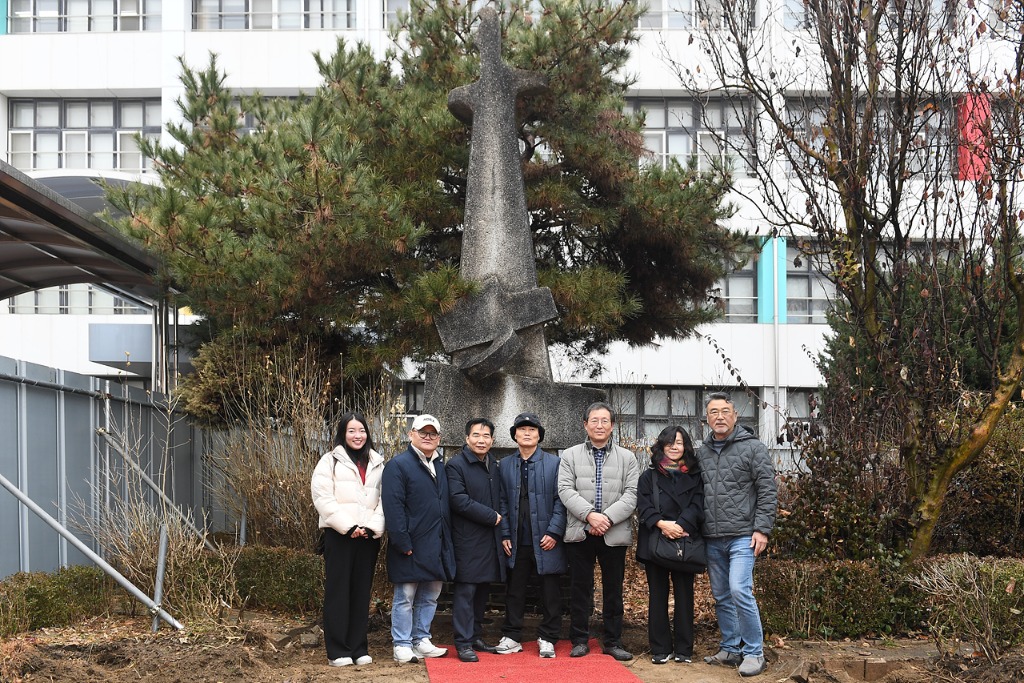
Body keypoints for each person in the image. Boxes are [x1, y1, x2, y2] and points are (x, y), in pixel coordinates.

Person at [697, 392, 777, 678]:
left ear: (735, 415)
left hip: (743, 534)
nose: (719, 416)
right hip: (712, 536)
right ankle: (731, 648)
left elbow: (768, 489)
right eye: (713, 412)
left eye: (725, 411)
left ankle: (754, 652)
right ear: (706, 418)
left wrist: (762, 529)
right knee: (721, 595)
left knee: (739, 590)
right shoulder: (701, 452)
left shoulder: (753, 448)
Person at [557, 401, 639, 662]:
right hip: (580, 531)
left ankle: (613, 641)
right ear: (585, 424)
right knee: (580, 587)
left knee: (613, 589)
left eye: (605, 421)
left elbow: (632, 494)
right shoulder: (569, 455)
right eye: (594, 420)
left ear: (612, 426)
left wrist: (606, 519)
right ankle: (579, 640)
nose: (600, 425)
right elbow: (565, 490)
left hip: (613, 534)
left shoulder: (628, 457)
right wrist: (590, 515)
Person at [310, 412, 385, 667]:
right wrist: (348, 526)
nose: (357, 436)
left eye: (362, 430)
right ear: (343, 433)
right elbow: (322, 498)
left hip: (368, 537)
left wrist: (372, 527)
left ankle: (358, 647)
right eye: (351, 431)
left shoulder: (377, 462)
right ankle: (338, 650)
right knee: (338, 592)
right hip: (340, 536)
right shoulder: (329, 461)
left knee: (361, 593)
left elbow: (385, 501)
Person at [381, 414, 456, 663]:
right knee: (405, 597)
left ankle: (421, 639)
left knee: (431, 595)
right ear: (411, 434)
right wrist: (402, 541)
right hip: (410, 543)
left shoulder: (440, 466)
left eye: (432, 433)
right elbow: (393, 506)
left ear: (439, 438)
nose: (427, 437)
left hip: (436, 543)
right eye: (422, 432)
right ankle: (401, 643)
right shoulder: (398, 465)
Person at [495, 413, 567, 659]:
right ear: (514, 434)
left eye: (532, 429)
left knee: (550, 591)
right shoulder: (503, 465)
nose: (527, 433)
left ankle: (548, 637)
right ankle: (512, 636)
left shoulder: (555, 463)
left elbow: (562, 501)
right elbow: (501, 502)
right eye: (522, 429)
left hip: (547, 539)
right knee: (514, 590)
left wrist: (555, 531)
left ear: (539, 435)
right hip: (516, 540)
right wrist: (504, 533)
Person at [636, 426, 705, 665]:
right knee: (657, 595)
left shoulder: (695, 475)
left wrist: (681, 524)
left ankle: (684, 649)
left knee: (685, 595)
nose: (674, 447)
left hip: (685, 539)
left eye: (679, 442)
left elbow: (698, 504)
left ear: (686, 446)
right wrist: (663, 524)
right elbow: (643, 506)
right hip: (656, 539)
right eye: (669, 443)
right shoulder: (649, 476)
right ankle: (660, 648)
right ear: (661, 446)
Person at [445, 418, 505, 663]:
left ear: (492, 440)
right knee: (466, 592)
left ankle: (476, 636)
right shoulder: (456, 465)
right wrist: (492, 517)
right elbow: (458, 500)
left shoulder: (493, 465)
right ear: (467, 438)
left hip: (489, 539)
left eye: (487, 435)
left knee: (482, 590)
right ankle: (462, 642)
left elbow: (500, 498)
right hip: (467, 540)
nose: (482, 440)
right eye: (477, 435)